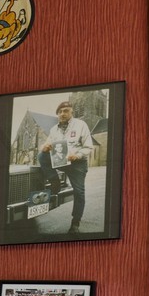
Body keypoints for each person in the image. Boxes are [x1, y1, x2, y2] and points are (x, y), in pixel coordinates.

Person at [38, 99, 95, 233]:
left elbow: (89, 147)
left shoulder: (81, 125)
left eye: (66, 111)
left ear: (71, 112)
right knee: (41, 156)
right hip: (61, 161)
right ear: (57, 114)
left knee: (79, 192)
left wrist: (77, 155)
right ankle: (55, 182)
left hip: (77, 164)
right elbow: (46, 145)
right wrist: (45, 147)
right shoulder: (53, 129)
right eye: (60, 112)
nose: (62, 114)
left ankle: (75, 222)